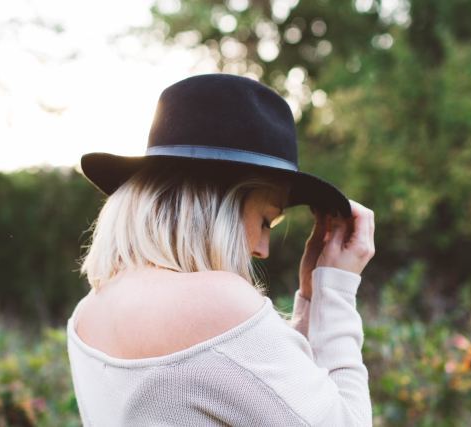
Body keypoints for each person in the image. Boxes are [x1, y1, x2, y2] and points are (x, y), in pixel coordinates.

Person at [68, 73, 376, 426]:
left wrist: (310, 298)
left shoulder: (86, 314)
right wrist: (335, 289)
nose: (263, 249)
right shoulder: (218, 304)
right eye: (265, 220)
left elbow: (280, 398)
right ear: (220, 206)